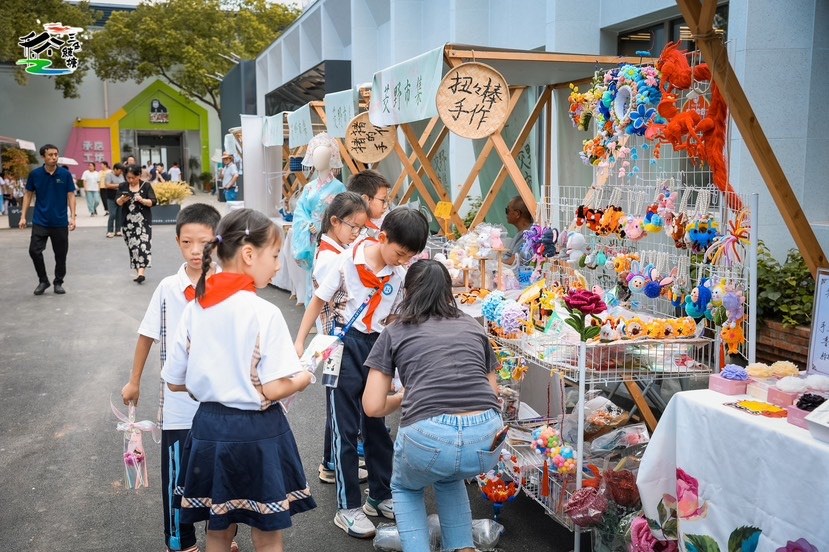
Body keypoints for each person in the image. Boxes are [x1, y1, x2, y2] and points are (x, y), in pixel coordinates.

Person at [160, 208, 317, 552]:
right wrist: (304, 377)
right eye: (275, 256)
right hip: (258, 432)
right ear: (249, 254)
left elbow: (174, 381)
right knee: (267, 533)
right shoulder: (264, 313)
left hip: (209, 429)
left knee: (218, 529)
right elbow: (275, 387)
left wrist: (215, 380)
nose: (278, 266)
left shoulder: (195, 308)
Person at [294, 207, 430, 539]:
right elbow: (317, 300)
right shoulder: (347, 261)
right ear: (383, 238)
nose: (402, 261)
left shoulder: (399, 275)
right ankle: (348, 507)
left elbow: (394, 320)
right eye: (399, 253)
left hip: (378, 347)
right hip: (342, 348)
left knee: (377, 425)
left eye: (409, 256)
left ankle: (380, 495)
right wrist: (299, 342)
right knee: (344, 427)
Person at [363, 260, 504, 552]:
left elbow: (372, 406)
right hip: (485, 437)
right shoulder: (472, 325)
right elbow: (492, 392)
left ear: (408, 291)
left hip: (429, 437)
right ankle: (464, 548)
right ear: (448, 291)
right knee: (449, 477)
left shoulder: (394, 330)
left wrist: (402, 398)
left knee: (405, 487)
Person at [120, 203, 222, 552]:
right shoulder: (167, 288)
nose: (196, 251)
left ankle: (220, 539)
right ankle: (180, 541)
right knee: (178, 477)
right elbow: (147, 334)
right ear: (178, 242)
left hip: (221, 404)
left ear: (217, 242)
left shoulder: (228, 285)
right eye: (187, 242)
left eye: (204, 242)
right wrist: (134, 380)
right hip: (178, 407)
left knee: (220, 476)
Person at [312, 191, 369, 485]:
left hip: (336, 341)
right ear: (335, 222)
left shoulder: (334, 252)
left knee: (339, 406)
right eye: (353, 227)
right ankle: (331, 462)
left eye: (361, 229)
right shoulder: (329, 258)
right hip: (336, 343)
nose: (357, 234)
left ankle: (332, 461)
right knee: (338, 408)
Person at [291, 133, 346, 304]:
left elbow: (342, 212)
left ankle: (326, 311)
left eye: (322, 157)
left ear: (330, 159)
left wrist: (321, 225)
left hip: (329, 235)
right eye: (315, 156)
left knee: (327, 273)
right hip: (311, 235)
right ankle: (311, 310)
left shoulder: (339, 187)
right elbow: (300, 210)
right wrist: (308, 224)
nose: (318, 160)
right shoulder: (309, 187)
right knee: (312, 275)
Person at [19, 144, 77, 295]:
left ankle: (58, 282)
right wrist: (23, 216)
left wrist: (73, 217)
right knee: (34, 251)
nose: (53, 157)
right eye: (50, 155)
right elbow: (28, 194)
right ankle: (43, 280)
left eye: (56, 154)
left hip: (59, 222)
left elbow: (71, 195)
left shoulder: (65, 174)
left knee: (60, 254)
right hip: (40, 221)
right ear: (43, 157)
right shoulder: (35, 174)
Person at [116, 165, 157, 283]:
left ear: (138, 176)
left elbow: (153, 201)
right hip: (128, 222)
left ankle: (141, 273)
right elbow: (117, 202)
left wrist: (143, 200)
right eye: (128, 178)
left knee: (143, 246)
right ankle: (138, 272)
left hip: (143, 221)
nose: (130, 180)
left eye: (133, 178)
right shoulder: (123, 186)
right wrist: (122, 199)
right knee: (133, 247)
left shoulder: (146, 186)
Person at [347, 170, 392, 238]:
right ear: (365, 200)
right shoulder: (358, 234)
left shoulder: (382, 217)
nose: (386, 206)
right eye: (383, 200)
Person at [503, 194, 534, 267]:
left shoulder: (528, 235)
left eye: (507, 210)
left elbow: (513, 261)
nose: (506, 214)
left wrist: (494, 262)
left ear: (517, 214)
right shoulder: (522, 233)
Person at [104, 163, 126, 238]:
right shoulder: (109, 175)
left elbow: (124, 184)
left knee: (119, 214)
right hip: (111, 198)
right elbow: (107, 185)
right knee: (112, 214)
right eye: (119, 171)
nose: (120, 172)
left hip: (120, 198)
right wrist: (118, 186)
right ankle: (109, 231)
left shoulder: (121, 176)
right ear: (115, 169)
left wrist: (118, 186)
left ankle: (118, 230)